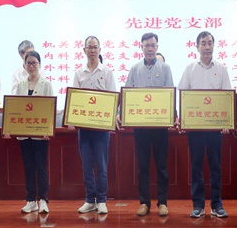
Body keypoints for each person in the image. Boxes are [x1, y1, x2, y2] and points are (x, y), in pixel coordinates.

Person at [177, 31, 232, 218]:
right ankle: (198, 205)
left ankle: (217, 205)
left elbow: (227, 97)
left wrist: (227, 121)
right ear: (197, 46)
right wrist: (183, 119)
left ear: (214, 46)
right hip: (196, 128)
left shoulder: (221, 69)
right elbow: (183, 95)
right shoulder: (190, 69)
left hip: (215, 127)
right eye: (203, 43)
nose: (207, 47)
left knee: (216, 166)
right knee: (196, 166)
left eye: (210, 43)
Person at [122, 32, 174, 217]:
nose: (150, 49)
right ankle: (144, 203)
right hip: (141, 127)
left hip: (160, 127)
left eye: (153, 45)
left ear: (157, 47)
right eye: (147, 46)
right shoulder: (135, 69)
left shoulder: (165, 68)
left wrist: (172, 115)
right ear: (141, 47)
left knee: (162, 166)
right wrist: (121, 114)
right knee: (143, 166)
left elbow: (170, 95)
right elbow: (127, 94)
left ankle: (163, 203)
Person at [73, 36, 116, 216]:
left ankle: (102, 200)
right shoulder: (79, 73)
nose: (92, 50)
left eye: (95, 47)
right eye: (89, 47)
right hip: (84, 128)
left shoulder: (107, 72)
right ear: (84, 50)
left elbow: (113, 98)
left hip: (101, 128)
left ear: (100, 50)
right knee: (87, 165)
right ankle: (90, 200)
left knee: (102, 165)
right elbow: (75, 99)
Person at [12, 50, 53, 214]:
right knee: (28, 167)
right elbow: (16, 107)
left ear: (39, 64)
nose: (31, 66)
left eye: (34, 62)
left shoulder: (46, 84)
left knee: (40, 167)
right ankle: (30, 200)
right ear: (24, 65)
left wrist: (48, 130)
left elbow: (50, 108)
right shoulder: (20, 84)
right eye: (28, 63)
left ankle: (43, 199)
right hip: (24, 133)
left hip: (40, 134)